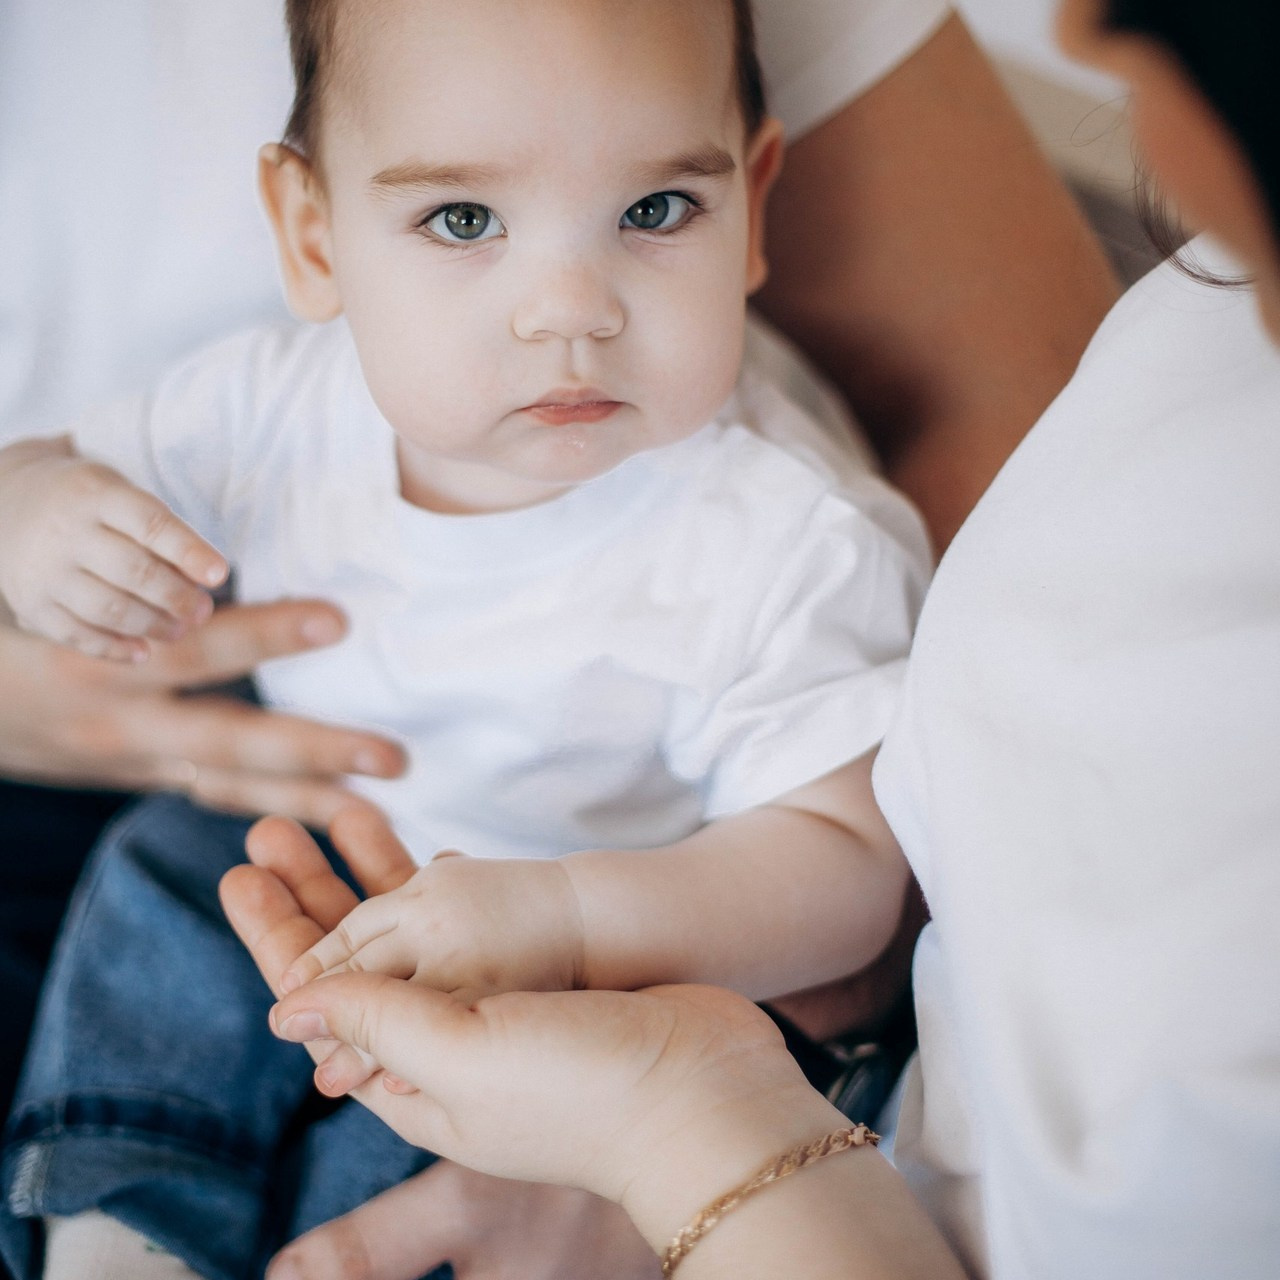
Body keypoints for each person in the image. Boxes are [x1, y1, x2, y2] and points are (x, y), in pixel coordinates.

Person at [0, 0, 1116, 1276]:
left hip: (630, 931)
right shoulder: (271, 402)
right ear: (313, 235)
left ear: (750, 199)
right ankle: (125, 1207)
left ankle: (332, 1227)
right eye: (463, 221)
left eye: (654, 212)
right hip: (341, 827)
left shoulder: (780, 536)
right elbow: (55, 469)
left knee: (476, 1120)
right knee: (173, 877)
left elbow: (847, 869)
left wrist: (570, 918)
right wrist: (34, 512)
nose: (569, 310)